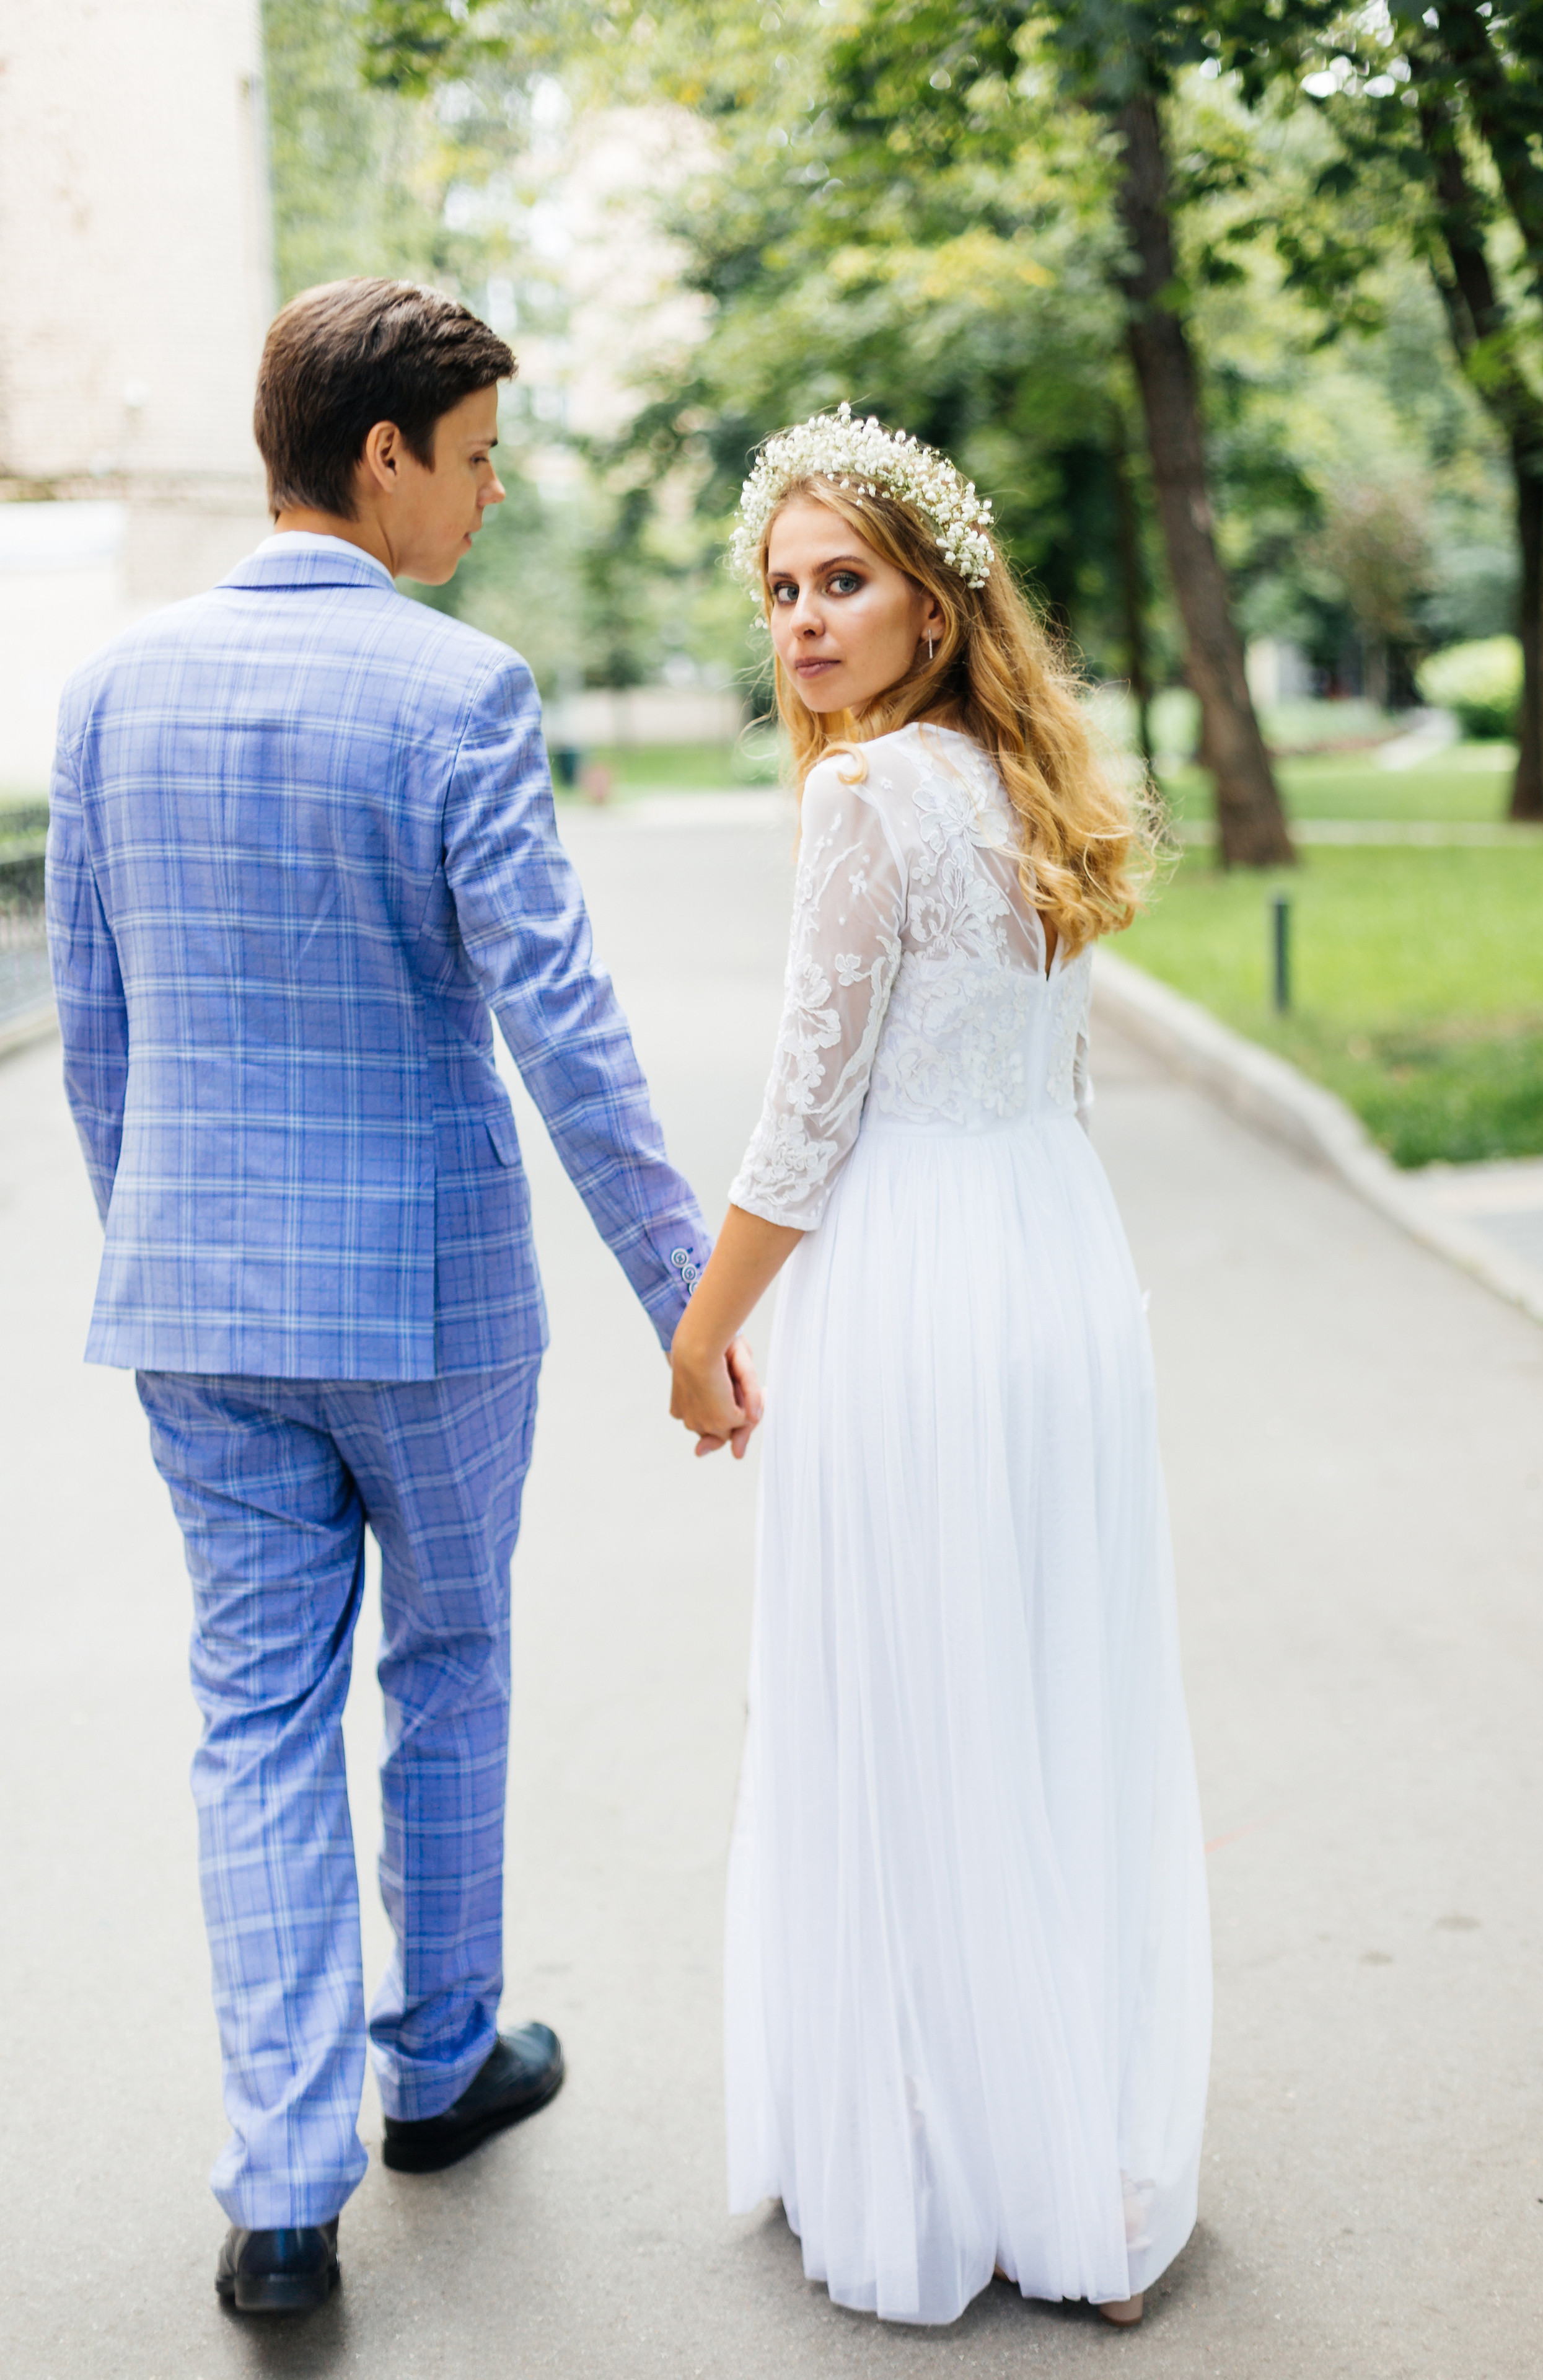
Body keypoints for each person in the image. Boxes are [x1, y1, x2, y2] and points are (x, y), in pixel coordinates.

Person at [45, 277, 759, 2317]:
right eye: (473, 459)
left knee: (252, 1709)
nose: (487, 498)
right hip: (432, 1307)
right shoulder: (459, 696)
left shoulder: (108, 698)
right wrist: (681, 1302)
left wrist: (159, 1242)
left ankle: (281, 2197)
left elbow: (100, 1036)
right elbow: (568, 1028)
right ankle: (437, 2071)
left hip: (198, 1302)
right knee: (446, 1662)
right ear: (381, 458)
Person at [669, 407, 1212, 2328]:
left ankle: (940, 2144)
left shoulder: (869, 797)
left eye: (845, 582)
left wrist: (702, 1329)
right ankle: (1071, 2136)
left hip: (911, 1279)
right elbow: (1047, 1077)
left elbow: (806, 1121)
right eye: (784, 590)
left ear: (934, 597)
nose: (806, 621)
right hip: (1054, 1266)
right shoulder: (1029, 779)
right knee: (1044, 1691)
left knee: (911, 1696)